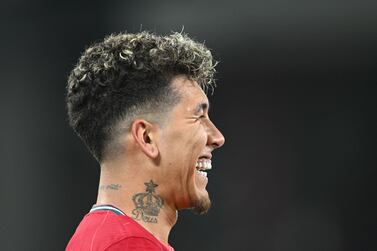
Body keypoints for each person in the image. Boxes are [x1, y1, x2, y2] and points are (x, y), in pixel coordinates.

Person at [65, 31, 225, 251]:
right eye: (199, 116)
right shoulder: (127, 245)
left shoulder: (102, 238)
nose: (217, 137)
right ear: (147, 137)